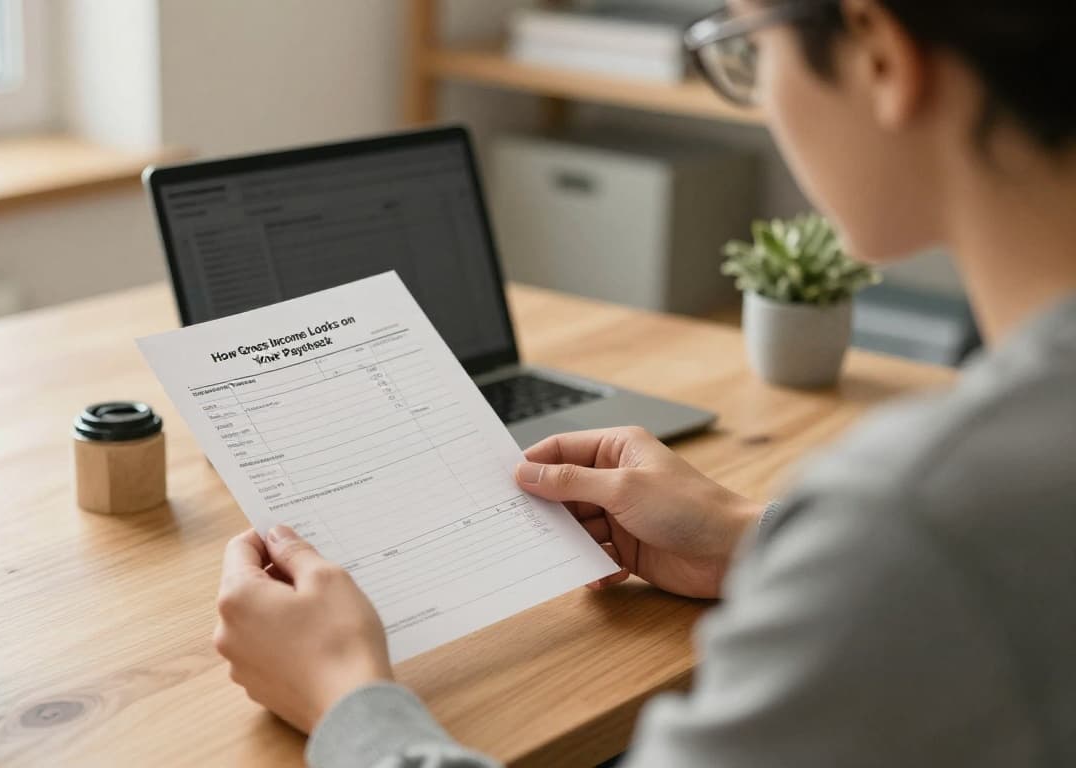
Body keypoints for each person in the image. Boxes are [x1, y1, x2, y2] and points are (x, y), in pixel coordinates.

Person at [212, 0, 1076, 764]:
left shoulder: (921, 512)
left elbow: (942, 556)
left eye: (749, 50)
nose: (762, 94)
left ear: (880, 53)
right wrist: (750, 537)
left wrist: (349, 705)